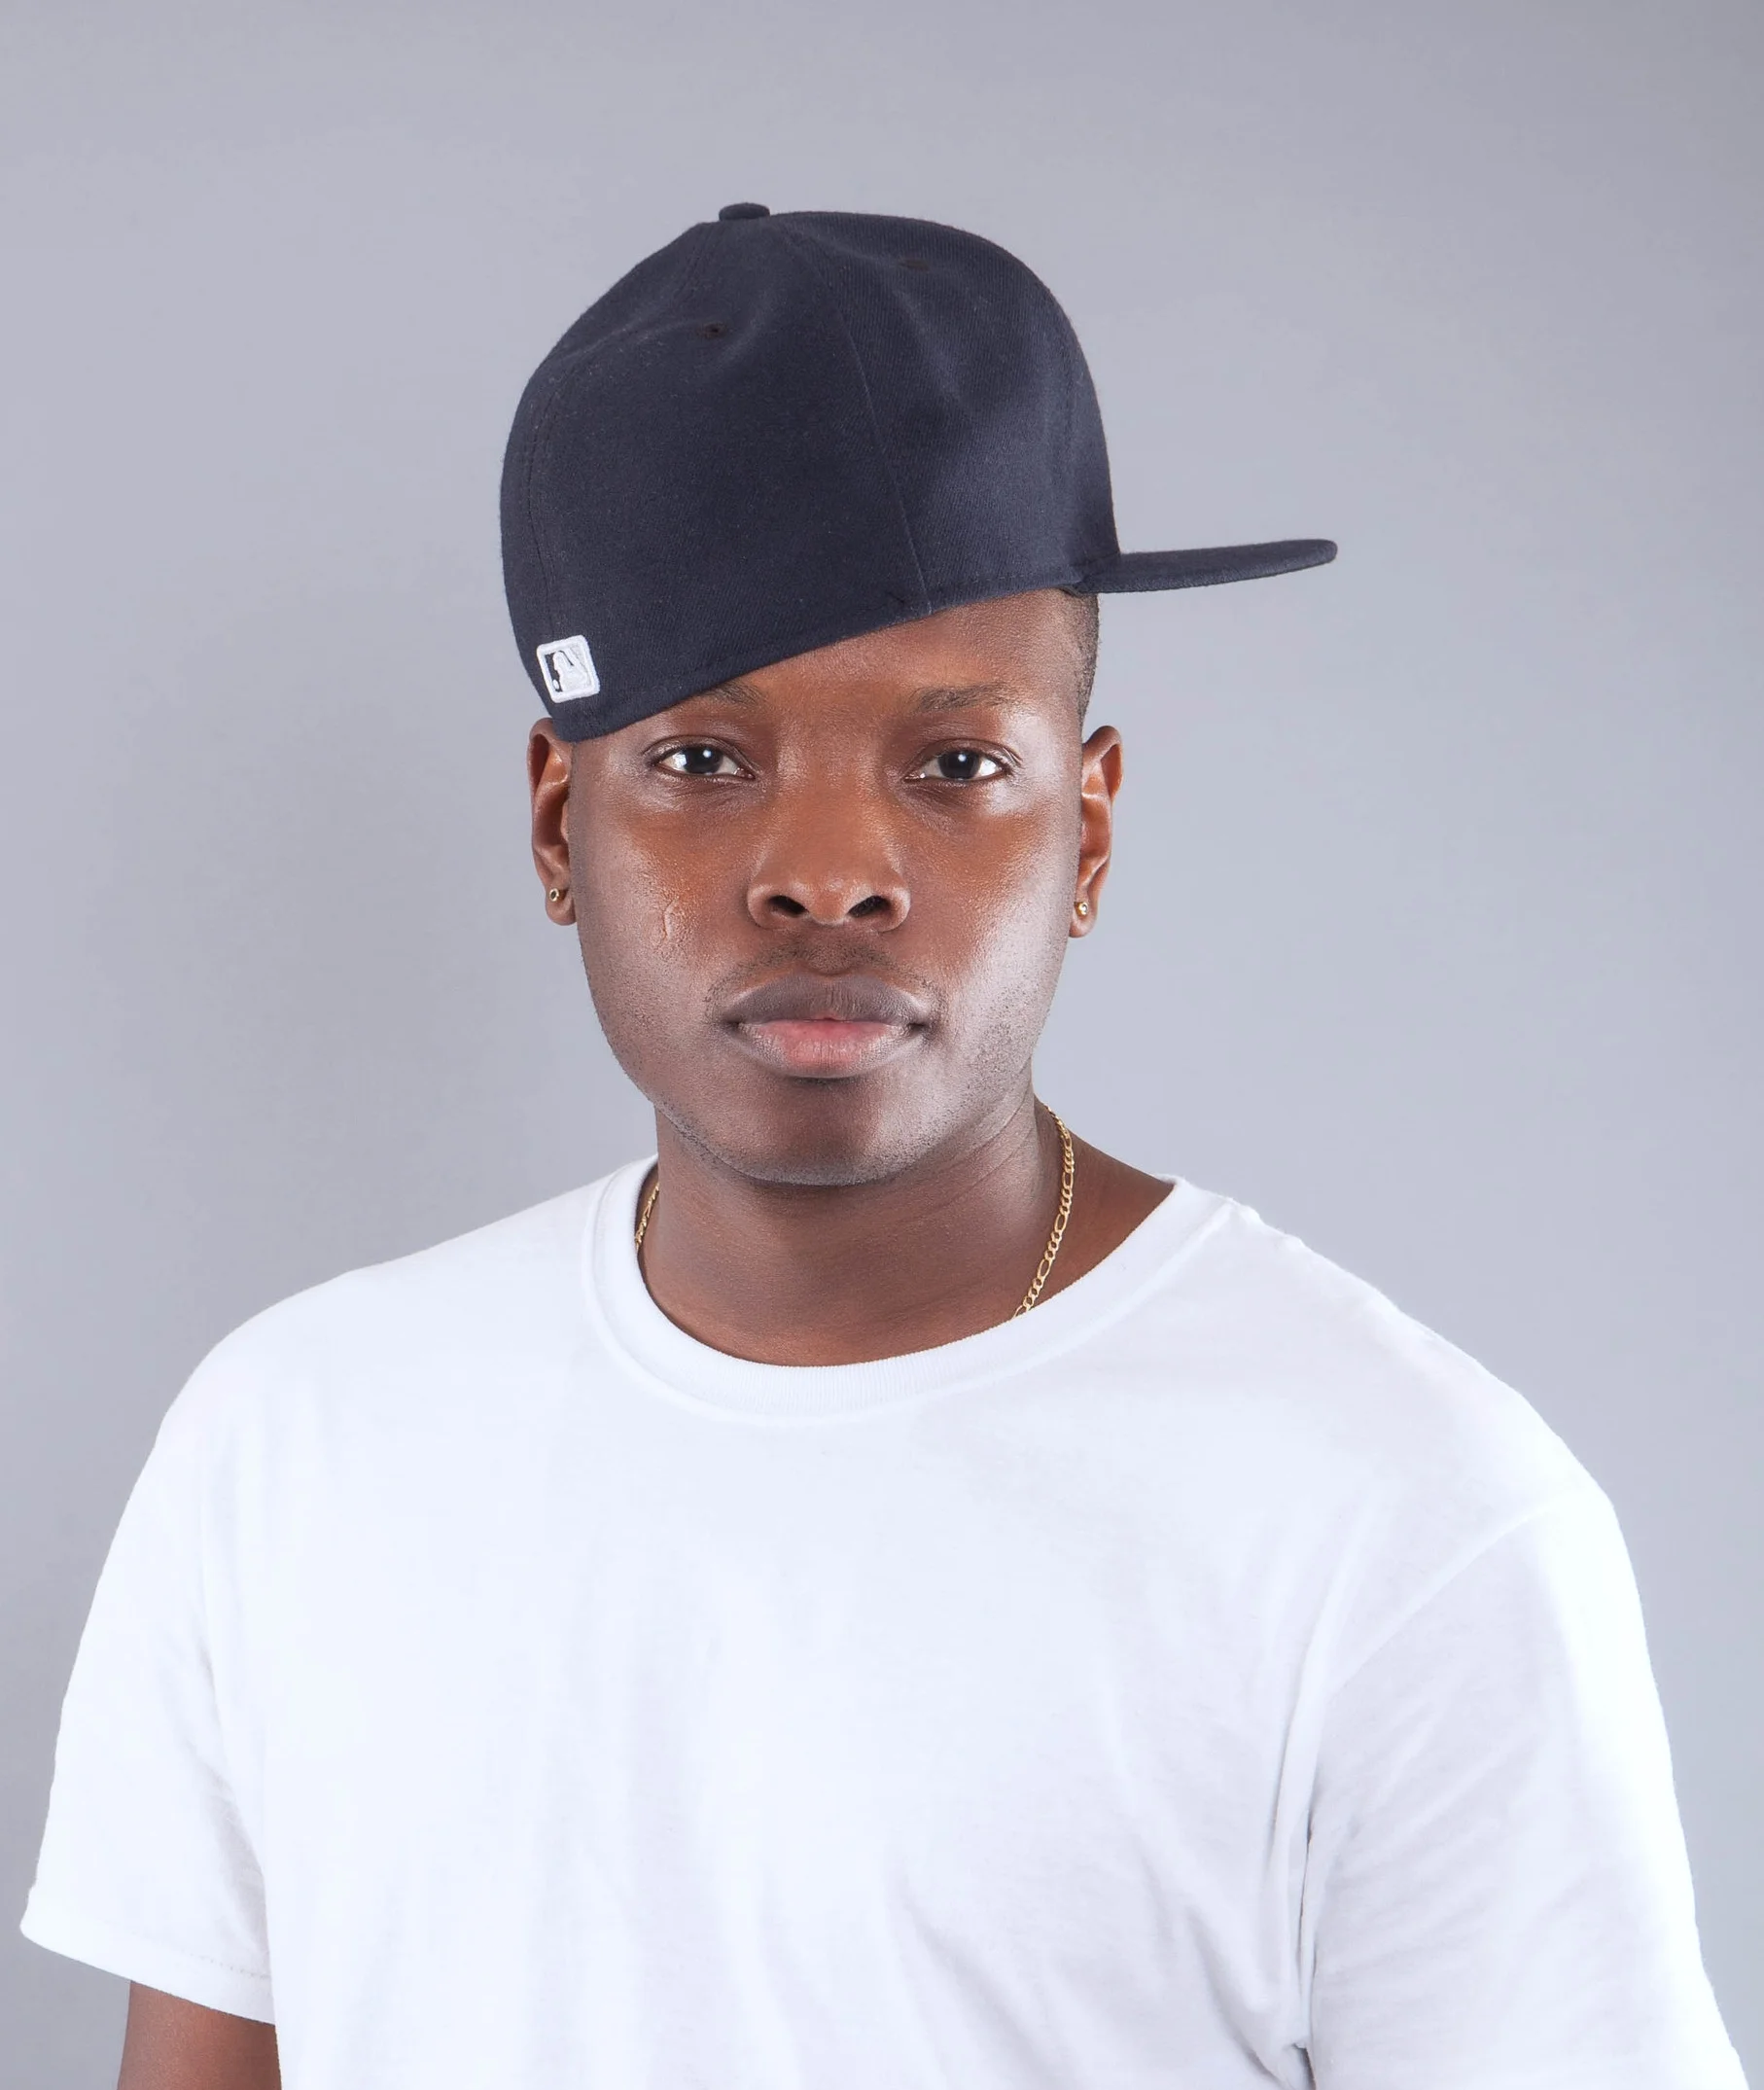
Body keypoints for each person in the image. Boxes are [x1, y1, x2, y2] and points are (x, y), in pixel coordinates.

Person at [22, 205, 1743, 2090]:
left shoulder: (1407, 1526)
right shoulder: (289, 1448)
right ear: (551, 821)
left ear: (1086, 831)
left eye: (951, 766)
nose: (825, 870)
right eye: (699, 757)